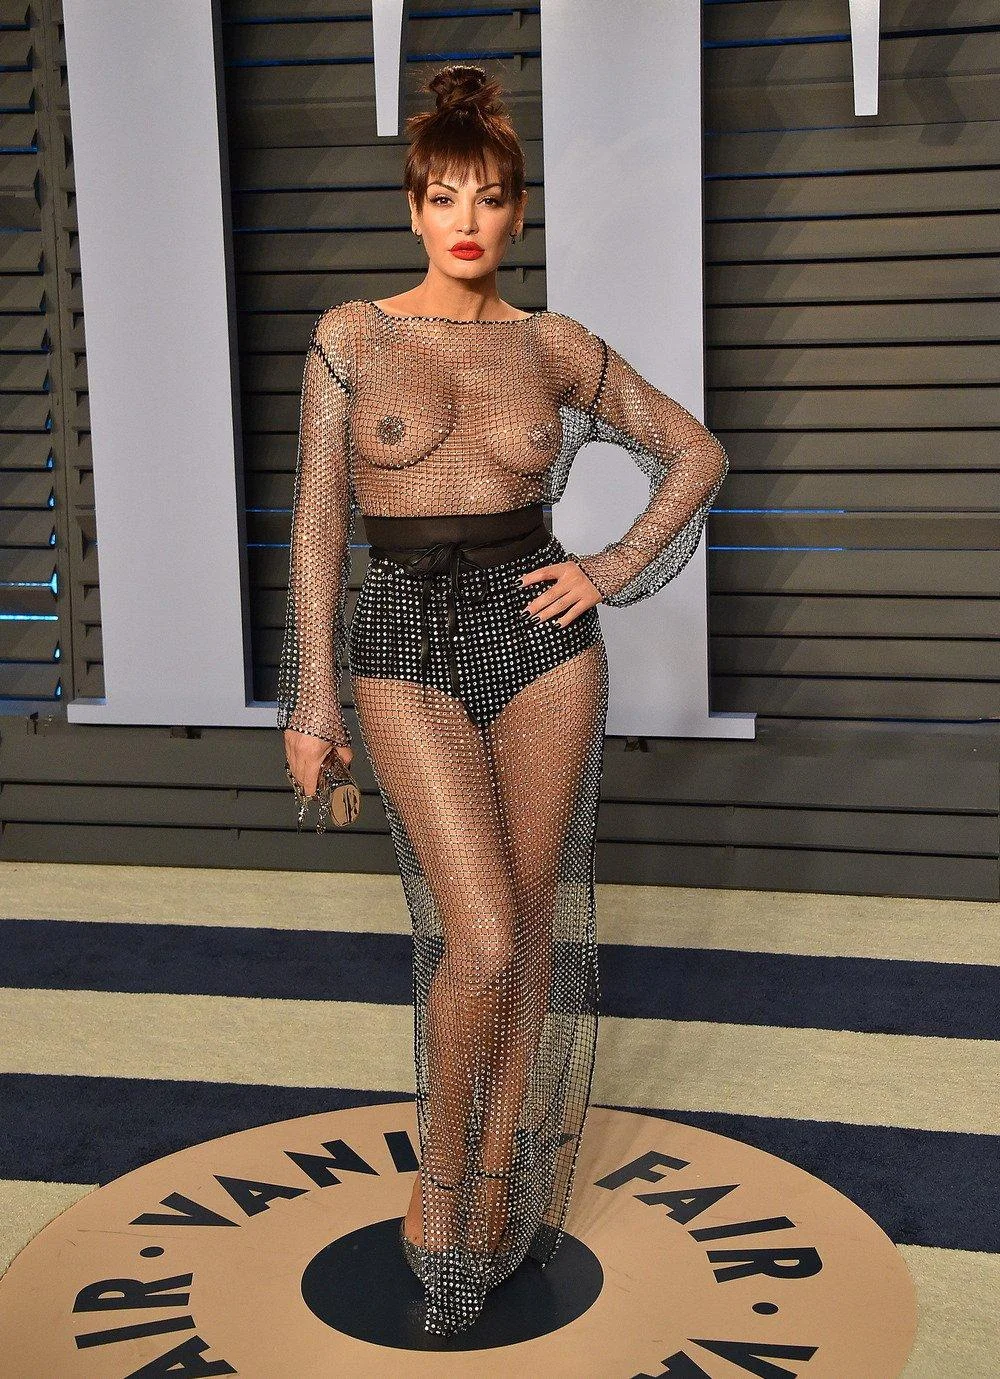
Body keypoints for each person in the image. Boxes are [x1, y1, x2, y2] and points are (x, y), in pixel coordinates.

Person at [277, 62, 728, 1336]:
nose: (464, 219)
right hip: (400, 640)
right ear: (413, 209)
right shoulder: (352, 337)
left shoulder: (553, 344)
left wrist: (608, 569)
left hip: (540, 644)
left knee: (524, 931)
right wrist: (312, 702)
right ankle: (441, 1184)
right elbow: (316, 528)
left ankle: (494, 1178)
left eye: (487, 197)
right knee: (473, 937)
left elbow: (694, 451)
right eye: (442, 197)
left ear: (518, 212)